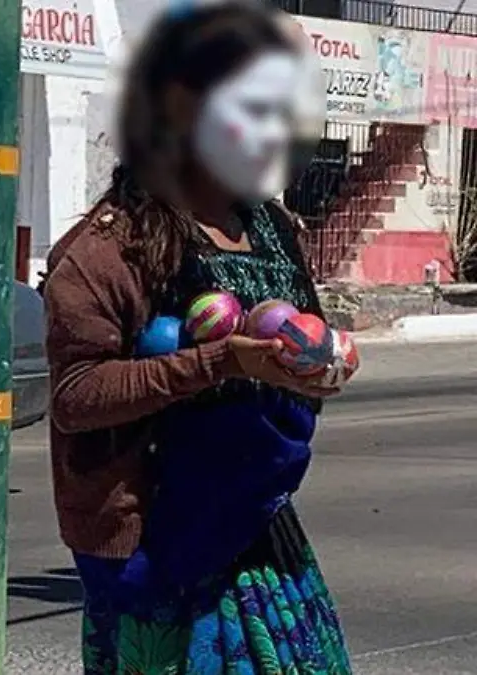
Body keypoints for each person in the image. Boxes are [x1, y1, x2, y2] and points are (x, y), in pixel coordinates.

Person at [41, 3, 353, 673]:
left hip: (255, 527)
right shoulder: (112, 247)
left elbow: (296, 348)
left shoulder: (271, 228)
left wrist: (314, 368)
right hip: (154, 548)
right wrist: (218, 361)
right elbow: (75, 395)